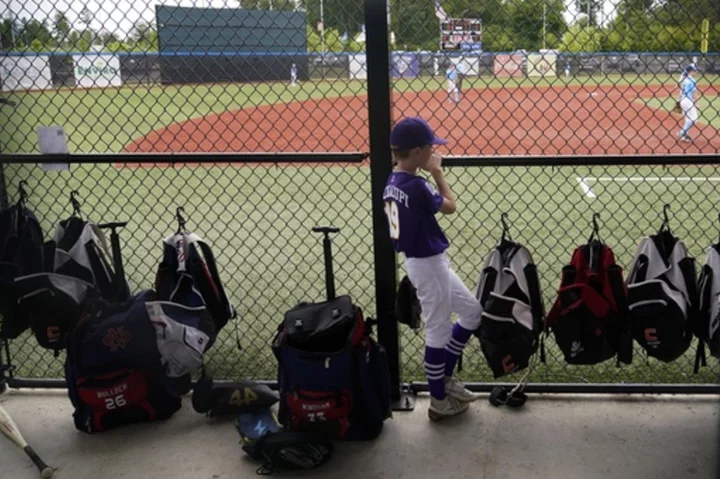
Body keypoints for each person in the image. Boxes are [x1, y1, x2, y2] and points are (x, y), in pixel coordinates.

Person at [382, 117, 482, 421]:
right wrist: (437, 173)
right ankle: (438, 400)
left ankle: (445, 379)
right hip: (427, 264)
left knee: (471, 312)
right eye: (429, 149)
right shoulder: (417, 184)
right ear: (415, 153)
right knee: (437, 331)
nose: (433, 152)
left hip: (424, 262)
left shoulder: (392, 181)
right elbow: (450, 206)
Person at [677, 64, 699, 143]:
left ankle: (684, 135)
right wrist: (697, 103)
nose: (696, 72)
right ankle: (682, 133)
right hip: (688, 101)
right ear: (691, 71)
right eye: (695, 71)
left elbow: (680, 88)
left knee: (688, 119)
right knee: (694, 119)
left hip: (682, 100)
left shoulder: (684, 80)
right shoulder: (692, 80)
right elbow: (694, 93)